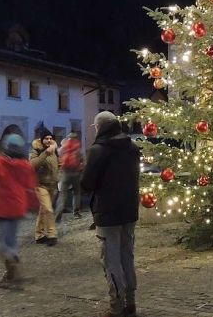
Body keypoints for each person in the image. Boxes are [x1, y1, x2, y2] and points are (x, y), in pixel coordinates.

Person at [81, 111, 141, 317]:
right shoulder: (132, 148)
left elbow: (87, 183)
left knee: (111, 259)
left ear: (100, 127)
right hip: (130, 209)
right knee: (127, 255)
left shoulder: (98, 151)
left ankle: (116, 306)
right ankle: (131, 302)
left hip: (107, 212)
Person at [0, 133, 38, 281]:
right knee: (12, 235)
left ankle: (11, 256)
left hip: (3, 205)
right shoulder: (26, 165)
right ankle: (13, 256)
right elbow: (31, 186)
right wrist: (33, 205)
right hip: (19, 205)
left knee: (3, 239)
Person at [30, 129, 59, 246]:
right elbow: (32, 165)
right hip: (40, 185)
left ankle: (39, 235)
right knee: (48, 209)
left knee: (43, 210)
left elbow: (58, 165)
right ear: (41, 140)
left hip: (52, 185)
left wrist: (58, 178)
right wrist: (46, 152)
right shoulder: (36, 151)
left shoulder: (55, 151)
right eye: (46, 138)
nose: (49, 140)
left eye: (51, 138)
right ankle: (52, 234)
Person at [55, 132, 84, 222]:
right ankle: (76, 213)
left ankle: (58, 213)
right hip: (76, 174)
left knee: (63, 194)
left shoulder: (63, 148)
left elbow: (58, 159)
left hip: (65, 174)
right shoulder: (78, 148)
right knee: (76, 193)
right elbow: (83, 161)